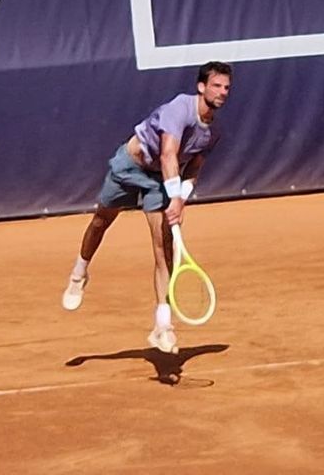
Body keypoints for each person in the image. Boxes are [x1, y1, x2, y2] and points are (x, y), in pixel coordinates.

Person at [61, 61, 232, 354]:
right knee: (101, 221)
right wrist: (174, 197)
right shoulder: (180, 108)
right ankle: (79, 273)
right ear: (201, 87)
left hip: (160, 182)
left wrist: (182, 197)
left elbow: (193, 169)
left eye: (227, 87)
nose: (223, 92)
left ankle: (162, 326)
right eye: (216, 86)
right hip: (131, 166)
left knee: (163, 247)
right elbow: (168, 154)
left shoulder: (212, 133)